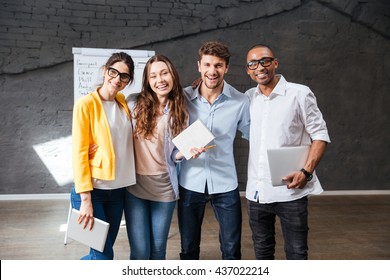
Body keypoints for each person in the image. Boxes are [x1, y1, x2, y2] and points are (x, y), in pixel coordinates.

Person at [244, 44, 331, 260]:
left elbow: (320, 135)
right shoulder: (247, 98)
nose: (259, 67)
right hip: (257, 192)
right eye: (253, 63)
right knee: (262, 254)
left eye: (265, 61)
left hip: (291, 191)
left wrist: (306, 171)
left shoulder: (299, 94)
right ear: (248, 70)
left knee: (297, 254)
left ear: (275, 63)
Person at [178, 41, 251, 260]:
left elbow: (254, 137)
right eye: (207, 64)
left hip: (225, 183)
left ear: (226, 68)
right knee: (188, 249)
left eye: (218, 65)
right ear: (199, 66)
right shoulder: (182, 98)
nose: (212, 71)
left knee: (231, 249)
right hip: (190, 182)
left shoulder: (240, 101)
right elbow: (167, 136)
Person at [71, 52, 136, 260]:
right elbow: (79, 153)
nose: (117, 79)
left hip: (118, 192)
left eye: (124, 76)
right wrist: (86, 199)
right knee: (104, 256)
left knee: (99, 253)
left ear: (128, 82)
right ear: (104, 71)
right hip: (93, 191)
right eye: (113, 72)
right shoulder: (86, 104)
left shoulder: (122, 101)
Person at [124, 54, 188, 259]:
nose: (160, 80)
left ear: (172, 75)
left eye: (164, 73)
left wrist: (185, 153)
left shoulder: (181, 109)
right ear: (148, 81)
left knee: (158, 250)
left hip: (164, 188)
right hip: (134, 186)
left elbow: (176, 152)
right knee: (140, 252)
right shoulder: (133, 103)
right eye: (153, 76)